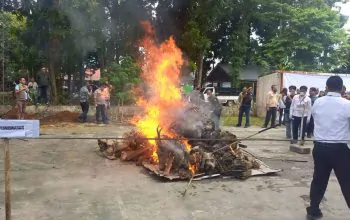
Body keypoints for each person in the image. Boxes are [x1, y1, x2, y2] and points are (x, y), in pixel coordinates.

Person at [307, 75, 350, 219]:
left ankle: (313, 210)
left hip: (320, 148)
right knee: (346, 181)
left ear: (326, 87)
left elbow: (314, 120)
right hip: (340, 149)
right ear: (341, 88)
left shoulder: (318, 102)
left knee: (318, 180)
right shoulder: (347, 104)